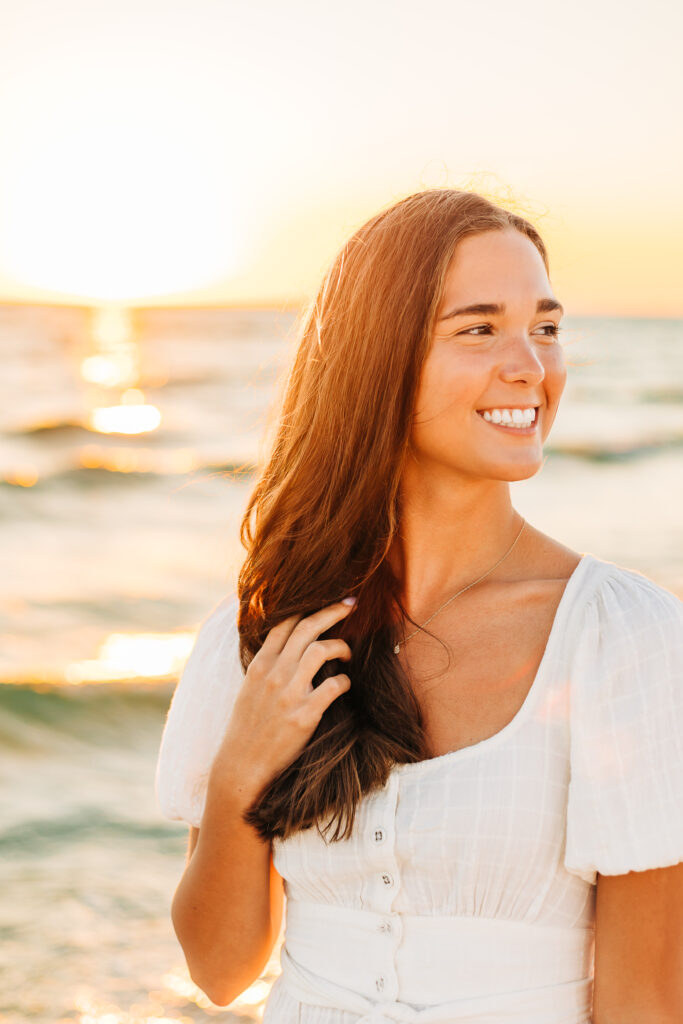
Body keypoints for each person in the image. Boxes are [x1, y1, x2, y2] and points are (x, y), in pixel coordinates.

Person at [154, 188, 683, 1023]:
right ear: (378, 359)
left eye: (544, 327)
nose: (530, 365)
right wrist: (237, 777)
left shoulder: (622, 638)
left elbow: (645, 1002)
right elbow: (219, 970)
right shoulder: (266, 631)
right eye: (478, 329)